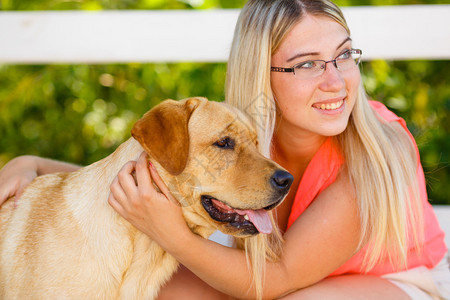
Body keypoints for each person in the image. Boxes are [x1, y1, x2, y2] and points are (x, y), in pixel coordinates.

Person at [0, 0, 449, 299]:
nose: (335, 81)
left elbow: (278, 280)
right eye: (307, 64)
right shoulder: (243, 134)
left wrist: (171, 234)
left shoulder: (378, 149)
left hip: (377, 284)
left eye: (344, 55)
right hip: (272, 281)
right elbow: (158, 179)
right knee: (154, 289)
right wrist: (34, 164)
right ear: (262, 75)